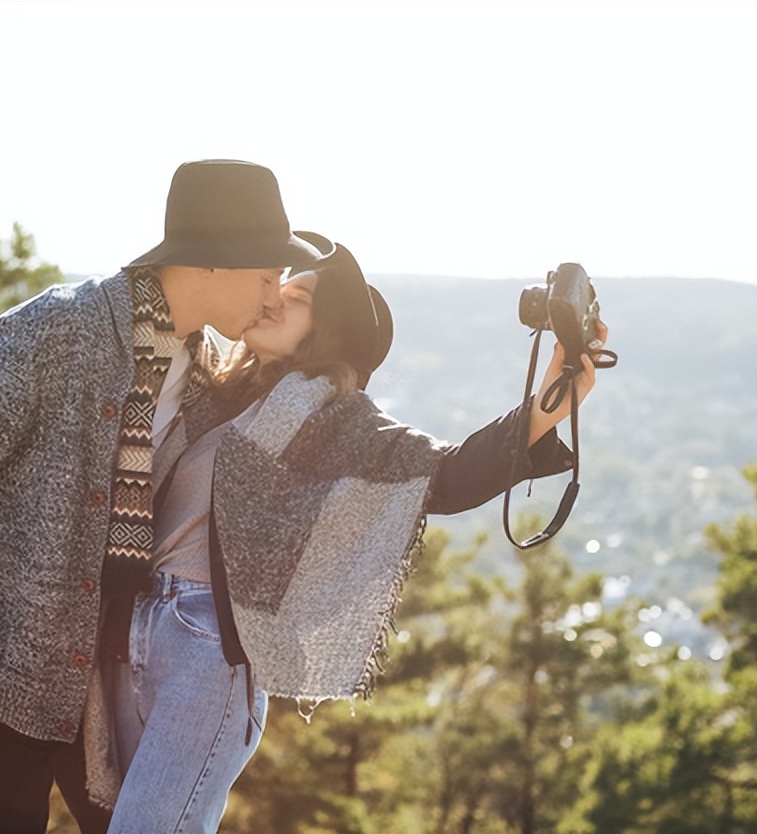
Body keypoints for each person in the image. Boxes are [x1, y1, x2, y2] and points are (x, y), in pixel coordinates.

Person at [90, 235, 608, 833]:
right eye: (281, 285)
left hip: (205, 653)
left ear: (328, 330)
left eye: (301, 296)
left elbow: (448, 474)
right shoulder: (212, 398)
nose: (277, 297)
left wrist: (556, 395)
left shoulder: (333, 417)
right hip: (135, 632)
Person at [0, 159, 331, 834]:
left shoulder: (206, 377)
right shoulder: (56, 331)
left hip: (108, 682)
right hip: (5, 676)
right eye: (267, 276)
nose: (275, 297)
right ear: (211, 264)